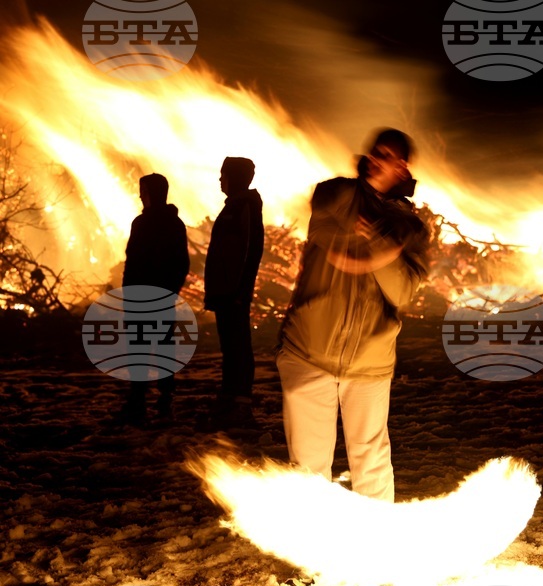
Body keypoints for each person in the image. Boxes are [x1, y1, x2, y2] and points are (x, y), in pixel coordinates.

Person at [277, 128, 430, 501]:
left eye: (385, 155)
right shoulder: (336, 194)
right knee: (308, 468)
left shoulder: (410, 227)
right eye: (373, 151)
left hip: (370, 360)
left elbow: (403, 291)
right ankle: (311, 553)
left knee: (372, 463)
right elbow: (329, 241)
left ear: (402, 166)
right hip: (308, 350)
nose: (374, 159)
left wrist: (378, 242)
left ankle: (375, 553)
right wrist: (385, 252)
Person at [116, 173, 190, 425]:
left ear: (155, 193)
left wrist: (167, 292)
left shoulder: (170, 224)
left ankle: (163, 399)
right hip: (140, 296)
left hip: (157, 296)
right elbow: (132, 261)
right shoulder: (143, 223)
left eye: (144, 191)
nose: (140, 195)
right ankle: (139, 399)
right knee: (142, 348)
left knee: (159, 348)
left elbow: (180, 263)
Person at [204, 157, 265, 428]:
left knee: (238, 346)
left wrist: (241, 290)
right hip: (224, 291)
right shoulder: (234, 206)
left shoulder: (247, 207)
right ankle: (228, 398)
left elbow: (250, 251)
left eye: (223, 174)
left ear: (235, 177)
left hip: (234, 293)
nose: (220, 180)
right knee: (229, 346)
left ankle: (241, 403)